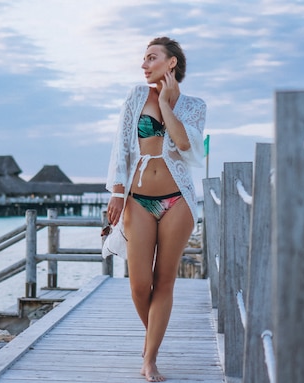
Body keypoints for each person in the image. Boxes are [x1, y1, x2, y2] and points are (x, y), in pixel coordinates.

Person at [104, 36, 206, 382]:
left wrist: (165, 101)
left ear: (171, 63)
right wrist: (117, 193)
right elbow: (121, 147)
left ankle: (150, 359)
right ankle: (153, 338)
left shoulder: (195, 106)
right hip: (138, 198)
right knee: (138, 283)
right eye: (143, 58)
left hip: (178, 200)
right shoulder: (135, 96)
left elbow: (184, 144)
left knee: (164, 280)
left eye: (151, 57)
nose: (144, 64)